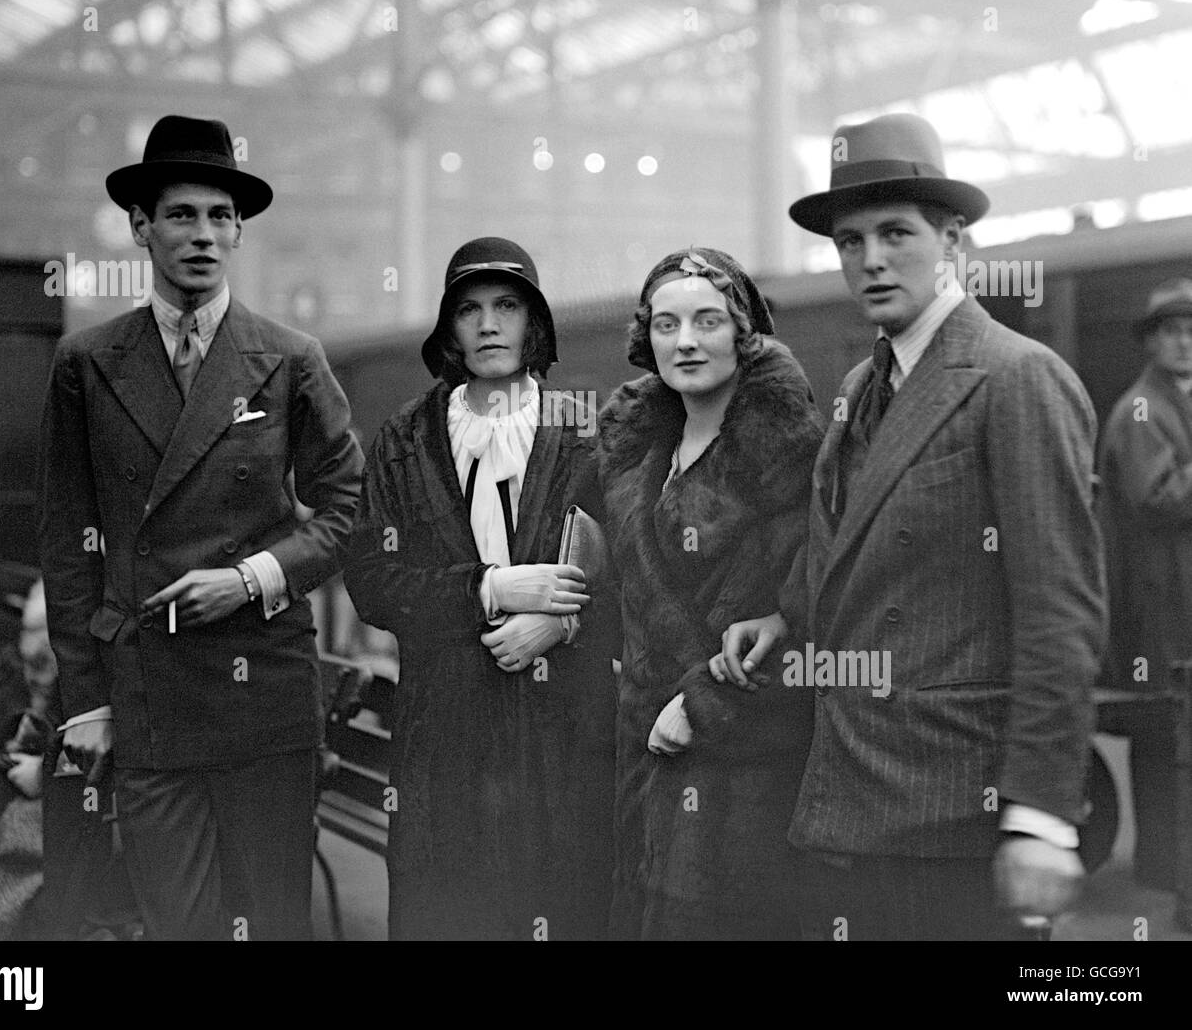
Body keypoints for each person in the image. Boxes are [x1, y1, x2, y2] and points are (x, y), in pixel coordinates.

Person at [723, 112, 1106, 940]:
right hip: (857, 794)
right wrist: (785, 615)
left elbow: (1060, 612)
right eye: (850, 240)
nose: (870, 259)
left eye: (896, 232)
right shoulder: (865, 382)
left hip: (958, 807)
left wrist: (1041, 815)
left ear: (954, 239)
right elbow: (846, 542)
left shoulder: (1015, 379)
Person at [38, 114, 363, 940]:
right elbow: (68, 541)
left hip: (267, 692)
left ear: (240, 233)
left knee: (271, 922)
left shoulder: (290, 358)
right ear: (141, 227)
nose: (204, 236)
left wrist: (252, 576)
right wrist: (84, 703)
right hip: (148, 692)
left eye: (222, 218)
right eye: (181, 215)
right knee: (177, 925)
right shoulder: (86, 362)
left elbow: (348, 509)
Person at [343, 237, 617, 941]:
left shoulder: (584, 432)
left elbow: (636, 575)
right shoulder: (405, 441)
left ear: (534, 323)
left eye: (507, 306)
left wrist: (564, 625)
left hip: (560, 736)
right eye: (469, 309)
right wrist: (489, 589)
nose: (489, 325)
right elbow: (373, 583)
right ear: (449, 328)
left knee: (559, 904)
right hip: (444, 738)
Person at [595, 247, 823, 940]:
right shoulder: (637, 451)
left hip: (746, 769)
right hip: (644, 754)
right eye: (666, 324)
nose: (685, 341)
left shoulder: (790, 454)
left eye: (707, 321)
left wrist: (702, 705)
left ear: (743, 333)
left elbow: (813, 620)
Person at [1099, 277, 1192, 928]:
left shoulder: (1170, 402)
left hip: (1174, 605)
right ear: (1152, 342)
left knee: (1167, 741)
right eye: (1172, 331)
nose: (1186, 342)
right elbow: (1155, 498)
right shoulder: (1141, 409)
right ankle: (1166, 873)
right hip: (1159, 610)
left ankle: (1166, 868)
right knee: (1166, 740)